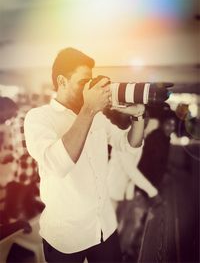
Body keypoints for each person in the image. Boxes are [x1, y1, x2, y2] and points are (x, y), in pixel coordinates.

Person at [24, 47, 145, 263]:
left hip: (104, 227)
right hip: (66, 236)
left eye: (90, 83)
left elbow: (128, 144)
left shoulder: (97, 117)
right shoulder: (38, 118)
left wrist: (138, 116)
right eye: (83, 83)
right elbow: (59, 164)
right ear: (62, 81)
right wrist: (89, 109)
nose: (88, 90)